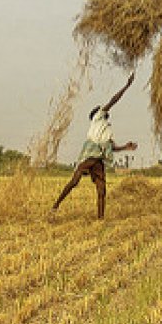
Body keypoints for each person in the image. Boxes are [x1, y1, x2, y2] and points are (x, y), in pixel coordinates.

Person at [51, 72, 139, 219]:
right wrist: (127, 86)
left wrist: (125, 147)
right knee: (74, 181)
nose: (103, 108)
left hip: (100, 158)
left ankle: (100, 220)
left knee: (102, 190)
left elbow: (111, 147)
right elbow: (114, 100)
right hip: (90, 153)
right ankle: (55, 206)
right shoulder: (98, 117)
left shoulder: (108, 128)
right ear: (96, 114)